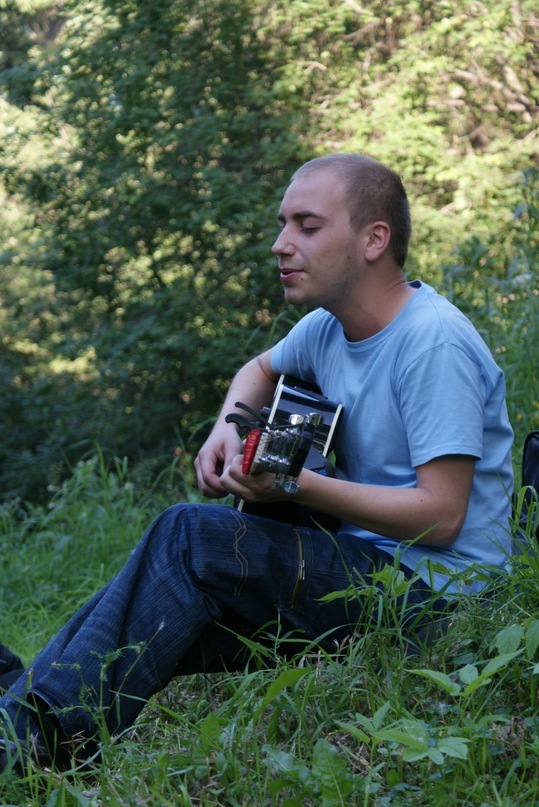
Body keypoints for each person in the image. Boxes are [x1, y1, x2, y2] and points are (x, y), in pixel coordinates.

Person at [0, 154, 514, 773]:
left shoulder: (433, 343)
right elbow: (260, 369)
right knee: (162, 602)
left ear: (374, 240)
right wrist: (229, 425)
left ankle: (29, 743)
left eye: (307, 226)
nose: (281, 244)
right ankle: (25, 716)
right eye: (282, 224)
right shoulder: (326, 328)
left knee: (189, 536)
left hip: (443, 600)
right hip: (369, 567)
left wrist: (295, 484)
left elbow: (443, 516)